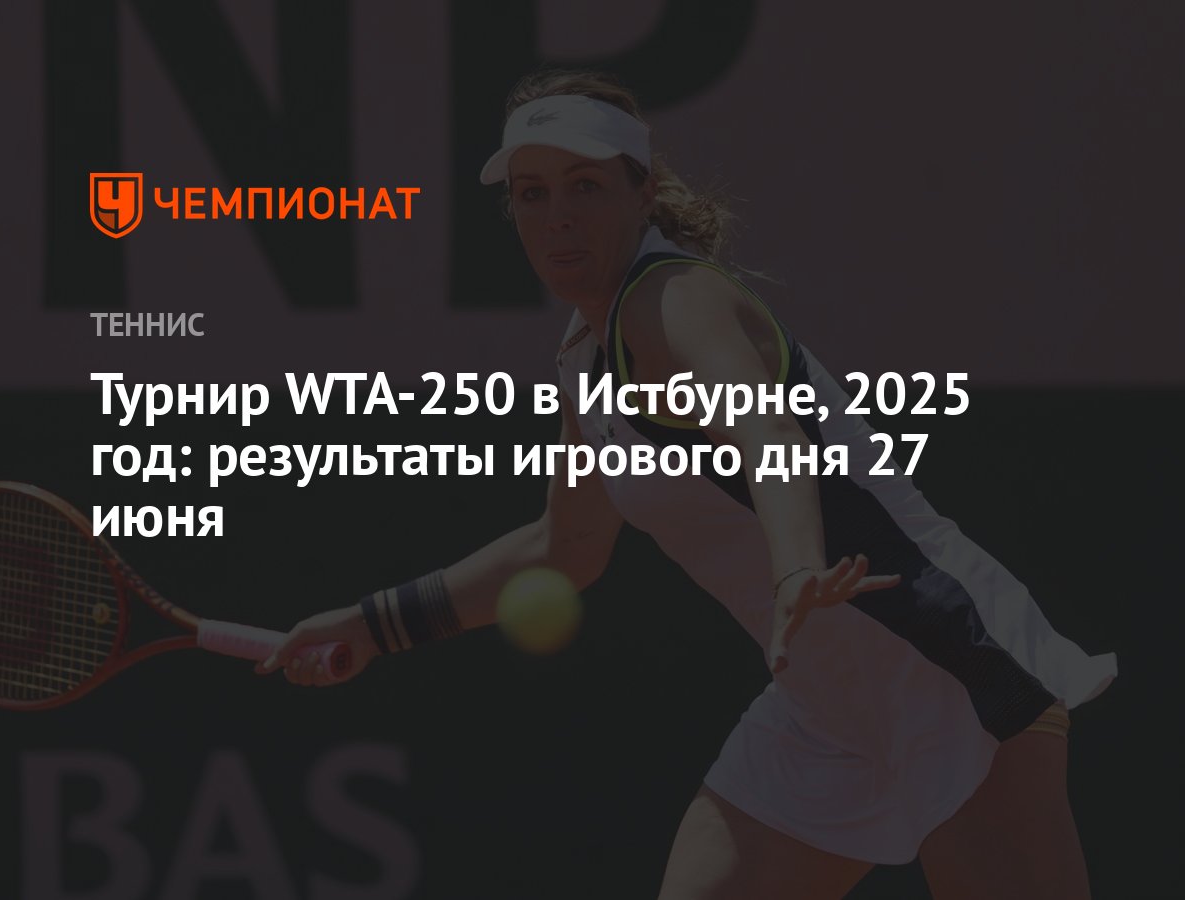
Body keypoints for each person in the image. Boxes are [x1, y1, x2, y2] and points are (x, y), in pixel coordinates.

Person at [257, 69, 1117, 899]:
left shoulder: (672, 301)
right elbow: (564, 549)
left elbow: (769, 433)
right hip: (826, 709)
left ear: (642, 192)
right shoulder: (584, 357)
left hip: (941, 666)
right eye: (532, 194)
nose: (558, 216)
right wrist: (371, 625)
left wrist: (794, 567)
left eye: (586, 187)